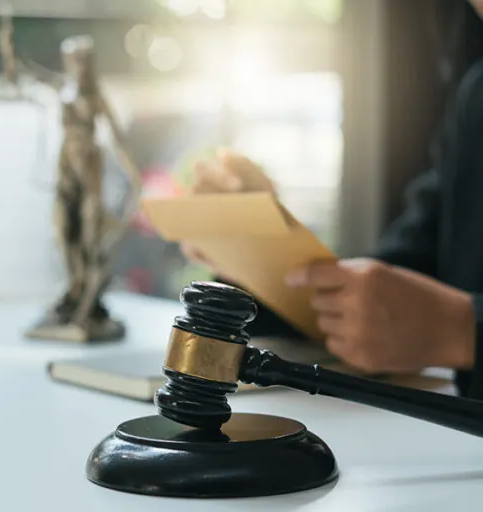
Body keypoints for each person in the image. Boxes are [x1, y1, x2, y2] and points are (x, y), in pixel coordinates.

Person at [182, 0, 483, 400]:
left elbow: (442, 317)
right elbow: (395, 283)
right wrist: (264, 251)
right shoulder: (476, 98)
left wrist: (464, 330)